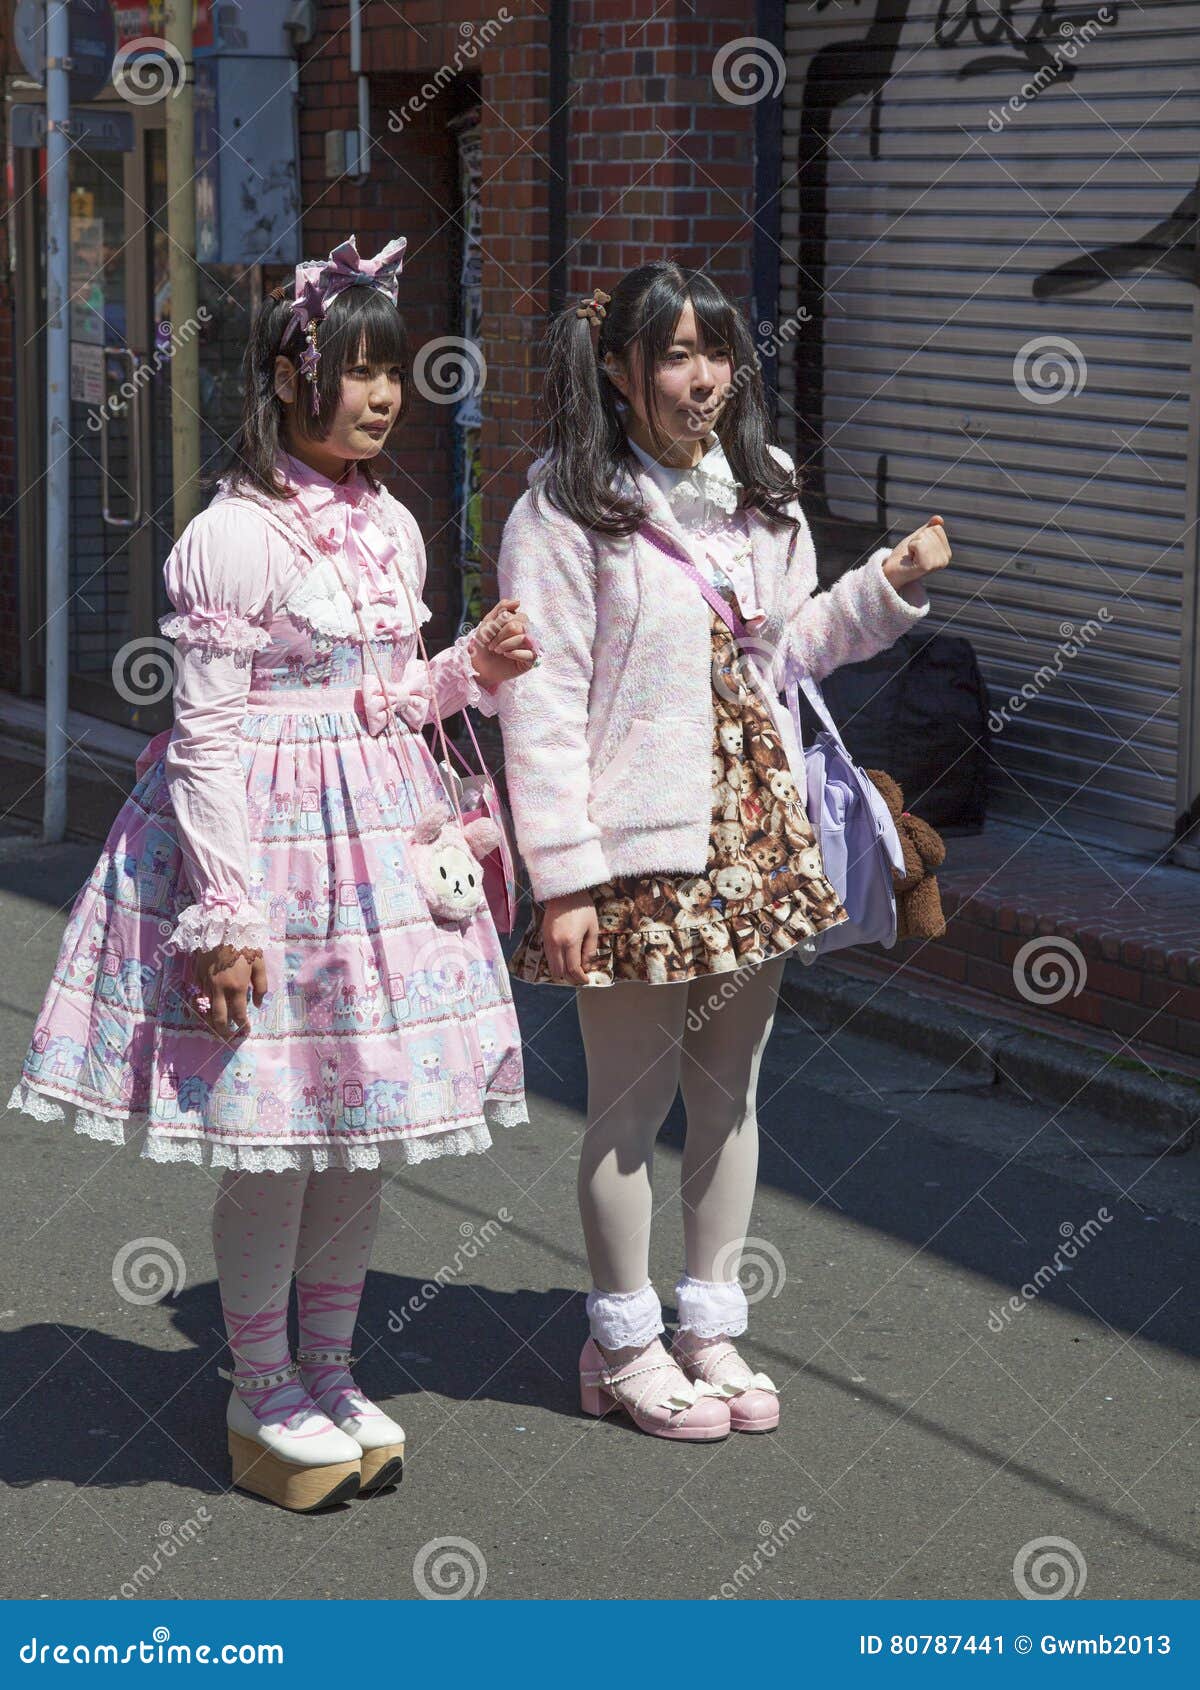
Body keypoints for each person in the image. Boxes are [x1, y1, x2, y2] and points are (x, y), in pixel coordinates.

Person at [8, 234, 536, 1510]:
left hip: (383, 853)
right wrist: (222, 912)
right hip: (269, 859)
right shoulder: (232, 538)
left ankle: (331, 1365)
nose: (382, 394)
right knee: (274, 1137)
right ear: (292, 375)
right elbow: (206, 743)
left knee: (358, 1130)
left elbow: (390, 697)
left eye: (393, 372)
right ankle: (258, 1384)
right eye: (356, 371)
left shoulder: (393, 526)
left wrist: (468, 668)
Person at [496, 261, 951, 1442]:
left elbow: (788, 651)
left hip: (756, 833)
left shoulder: (765, 491)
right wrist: (566, 878)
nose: (701, 381)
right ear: (619, 370)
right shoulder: (564, 507)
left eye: (716, 356)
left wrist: (884, 589)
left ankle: (707, 1325)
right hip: (633, 855)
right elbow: (537, 708)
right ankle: (623, 1340)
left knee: (731, 1095)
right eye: (675, 356)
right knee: (627, 1110)